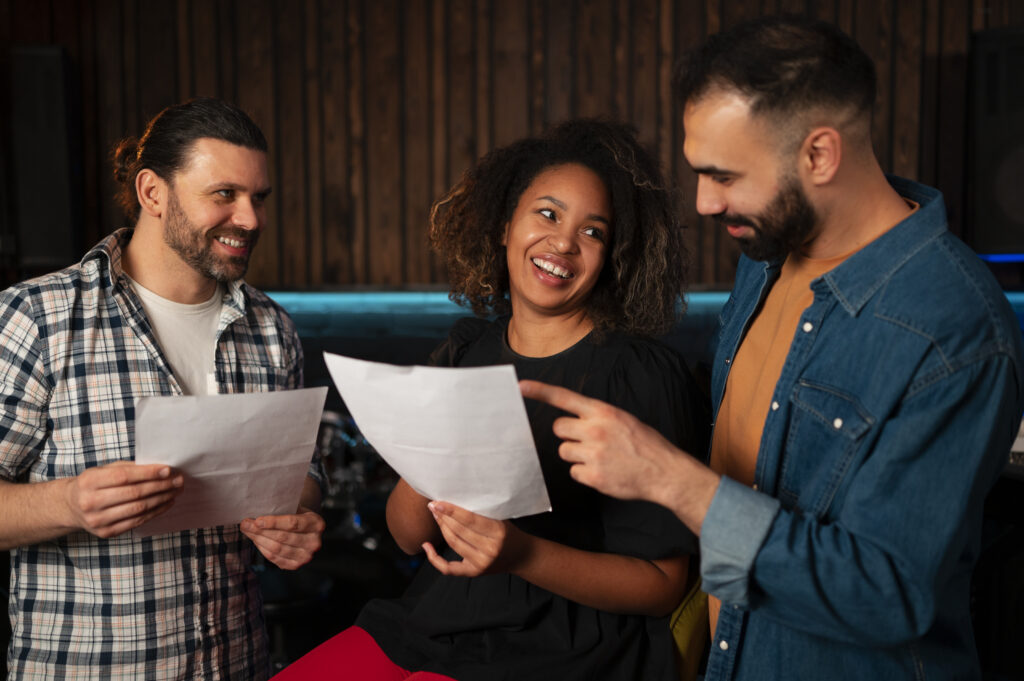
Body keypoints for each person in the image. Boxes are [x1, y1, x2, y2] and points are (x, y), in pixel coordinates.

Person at [521, 16, 1024, 681]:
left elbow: (889, 594)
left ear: (819, 155)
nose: (703, 202)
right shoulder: (765, 256)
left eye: (724, 175)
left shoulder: (956, 327)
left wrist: (670, 478)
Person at [273, 119, 710, 680]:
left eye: (593, 231)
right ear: (505, 227)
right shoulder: (466, 350)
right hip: (434, 621)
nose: (563, 243)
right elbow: (407, 535)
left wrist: (523, 554)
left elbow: (662, 586)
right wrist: (435, 451)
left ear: (612, 258)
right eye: (547, 214)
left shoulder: (641, 375)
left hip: (565, 645)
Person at [0, 98, 327, 680]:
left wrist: (297, 517)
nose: (251, 219)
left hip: (240, 663)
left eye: (259, 198)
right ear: (153, 192)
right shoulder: (37, 318)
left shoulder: (273, 329)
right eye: (224, 194)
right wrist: (67, 503)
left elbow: (304, 475)